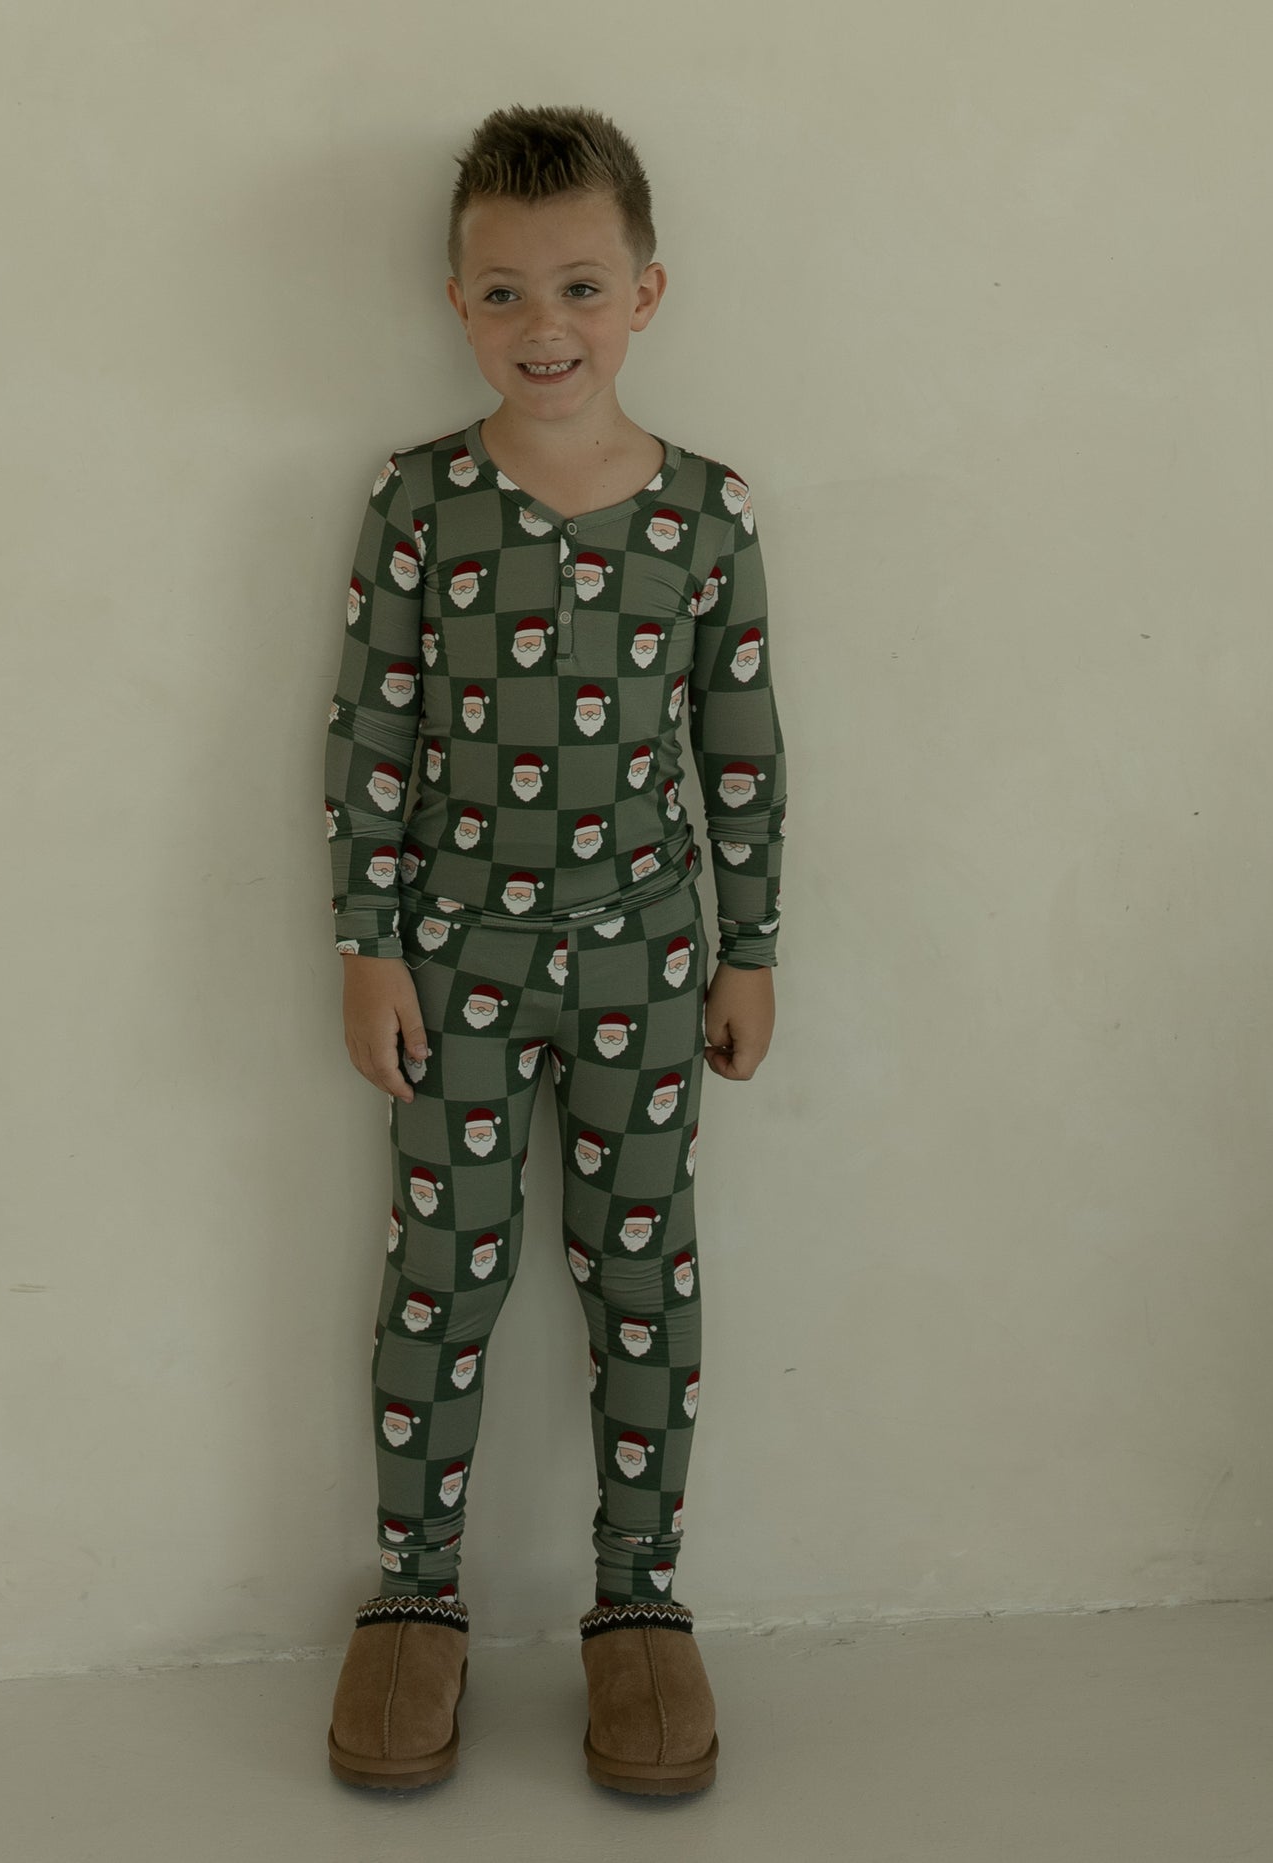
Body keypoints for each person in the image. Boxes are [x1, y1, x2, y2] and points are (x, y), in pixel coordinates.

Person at [320, 104, 786, 1797]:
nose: (545, 327)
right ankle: (414, 1601)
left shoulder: (706, 518)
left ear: (645, 293)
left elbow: (740, 750)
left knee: (638, 1280)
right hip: (448, 963)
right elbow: (371, 731)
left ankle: (638, 1610)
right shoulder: (419, 503)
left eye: (579, 287)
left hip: (650, 967)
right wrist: (370, 942)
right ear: (457, 303)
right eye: (505, 293)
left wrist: (750, 950)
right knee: (439, 1282)